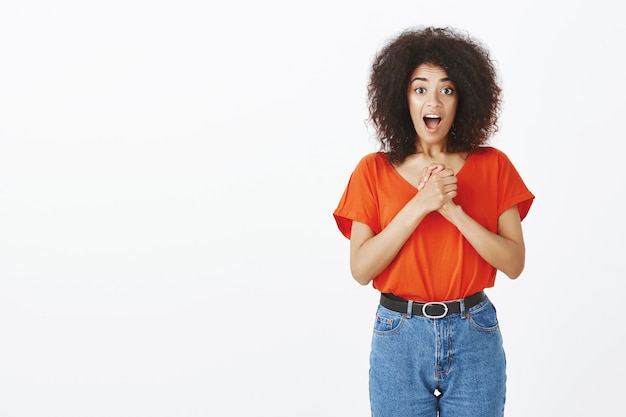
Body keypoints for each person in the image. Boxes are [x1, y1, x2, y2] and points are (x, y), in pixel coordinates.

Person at [333, 26, 534, 417]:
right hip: (398, 336)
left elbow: (513, 263)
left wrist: (453, 212)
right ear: (401, 97)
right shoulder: (372, 171)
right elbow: (361, 268)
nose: (434, 101)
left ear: (464, 97)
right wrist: (422, 203)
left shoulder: (494, 165)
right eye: (420, 88)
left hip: (474, 333)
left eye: (447, 88)